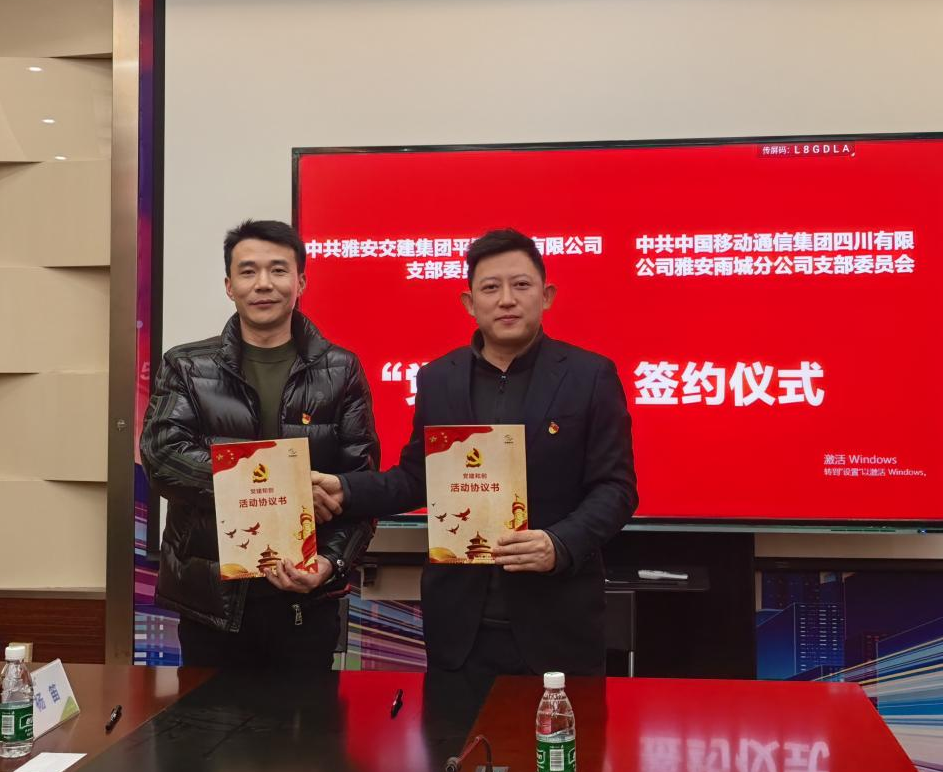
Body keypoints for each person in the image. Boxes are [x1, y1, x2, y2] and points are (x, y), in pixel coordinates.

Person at [314, 228, 637, 677]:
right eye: (490, 287)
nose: (506, 299)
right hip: (459, 625)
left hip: (558, 619)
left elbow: (615, 488)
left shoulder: (590, 376)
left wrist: (559, 543)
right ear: (469, 302)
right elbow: (416, 478)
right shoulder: (438, 378)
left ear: (546, 295)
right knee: (452, 726)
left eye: (521, 285)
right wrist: (346, 489)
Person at [141, 219, 378, 668]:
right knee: (209, 715)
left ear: (301, 282)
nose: (264, 284)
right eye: (248, 271)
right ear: (229, 286)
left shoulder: (341, 369)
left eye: (278, 270)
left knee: (306, 716)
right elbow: (163, 459)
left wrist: (330, 565)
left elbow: (361, 485)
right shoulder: (187, 366)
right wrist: (287, 491)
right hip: (211, 600)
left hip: (305, 602)